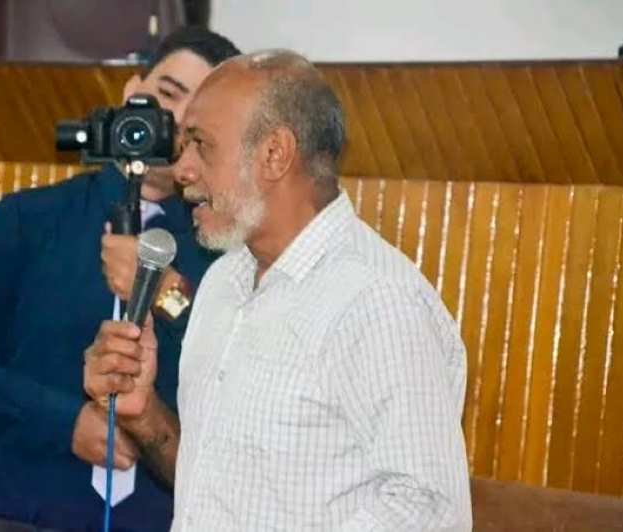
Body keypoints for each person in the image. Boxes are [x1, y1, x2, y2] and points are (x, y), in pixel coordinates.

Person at [84, 50, 473, 530]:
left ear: (274, 154)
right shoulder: (224, 281)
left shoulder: (378, 301)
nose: (182, 169)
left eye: (201, 145)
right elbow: (214, 490)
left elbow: (430, 508)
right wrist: (144, 415)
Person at [0, 27, 239, 532]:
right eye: (167, 94)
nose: (172, 122)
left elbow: (238, 377)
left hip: (159, 518)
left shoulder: (224, 254)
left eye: (197, 116)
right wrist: (62, 422)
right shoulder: (28, 219)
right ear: (132, 90)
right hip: (23, 509)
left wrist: (166, 292)